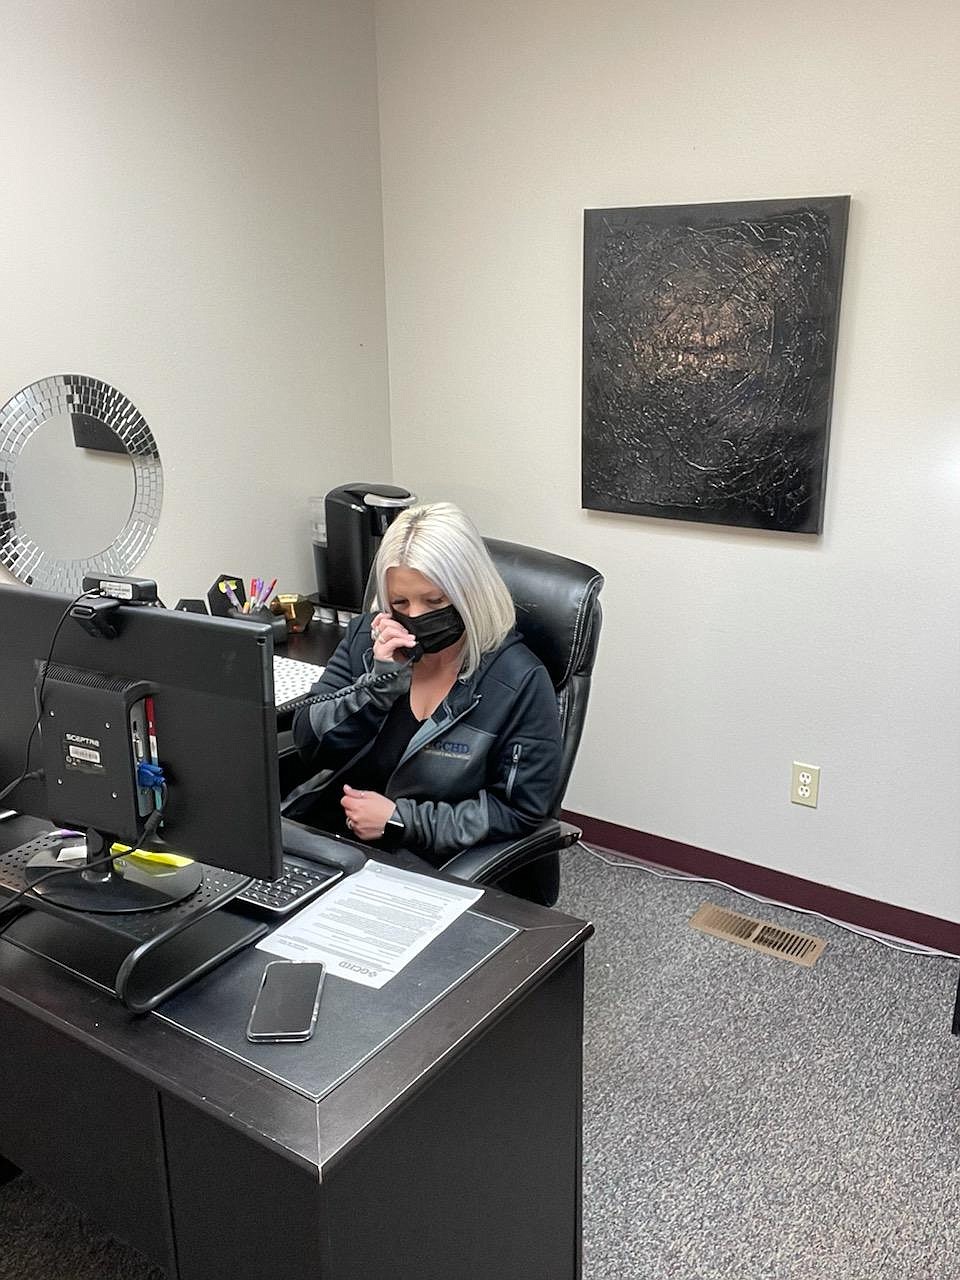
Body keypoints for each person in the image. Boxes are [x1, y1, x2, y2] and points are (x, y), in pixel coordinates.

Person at [287, 502, 561, 874]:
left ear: (469, 593)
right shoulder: (366, 641)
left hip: (424, 859)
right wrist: (378, 687)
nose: (415, 616)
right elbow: (309, 742)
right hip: (332, 839)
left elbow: (519, 810)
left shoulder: (519, 681)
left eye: (434, 601)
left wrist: (401, 819)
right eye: (400, 602)